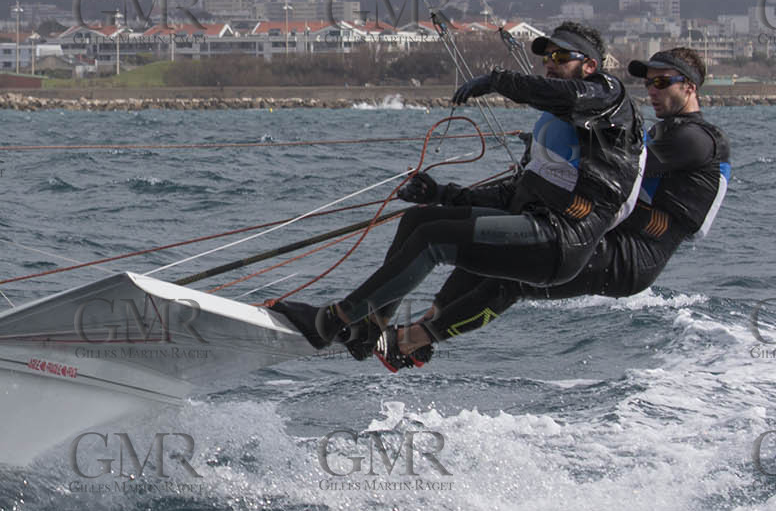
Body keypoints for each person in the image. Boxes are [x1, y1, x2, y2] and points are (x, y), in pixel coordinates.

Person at [269, 21, 645, 370]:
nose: (550, 63)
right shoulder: (555, 125)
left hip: (563, 239)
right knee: (420, 220)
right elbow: (515, 192)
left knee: (434, 242)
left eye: (562, 57)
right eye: (547, 56)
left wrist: (498, 81)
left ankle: (332, 321)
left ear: (590, 66)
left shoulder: (610, 96)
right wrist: (441, 193)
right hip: (536, 226)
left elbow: (559, 94)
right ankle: (372, 327)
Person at [383, 47, 729, 359]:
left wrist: (555, 151)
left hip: (633, 256)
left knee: (514, 277)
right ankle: (428, 325)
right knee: (493, 244)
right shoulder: (664, 132)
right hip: (611, 237)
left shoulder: (696, 139)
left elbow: (619, 163)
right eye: (649, 82)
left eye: (662, 82)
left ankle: (414, 338)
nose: (652, 90)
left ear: (690, 86)